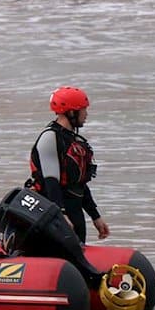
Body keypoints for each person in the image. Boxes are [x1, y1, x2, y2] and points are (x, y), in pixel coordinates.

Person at [27, 87, 110, 245]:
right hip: (53, 213)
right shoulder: (49, 138)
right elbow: (51, 182)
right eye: (83, 110)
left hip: (75, 212)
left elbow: (79, 185)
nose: (86, 114)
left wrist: (95, 216)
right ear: (71, 113)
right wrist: (60, 215)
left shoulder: (74, 140)